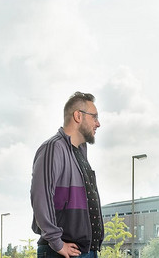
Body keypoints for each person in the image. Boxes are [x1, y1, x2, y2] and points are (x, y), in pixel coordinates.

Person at [31, 92, 103, 258]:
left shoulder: (80, 153)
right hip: (60, 252)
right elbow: (41, 197)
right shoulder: (53, 148)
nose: (98, 123)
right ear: (78, 116)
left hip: (85, 252)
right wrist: (57, 243)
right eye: (94, 117)